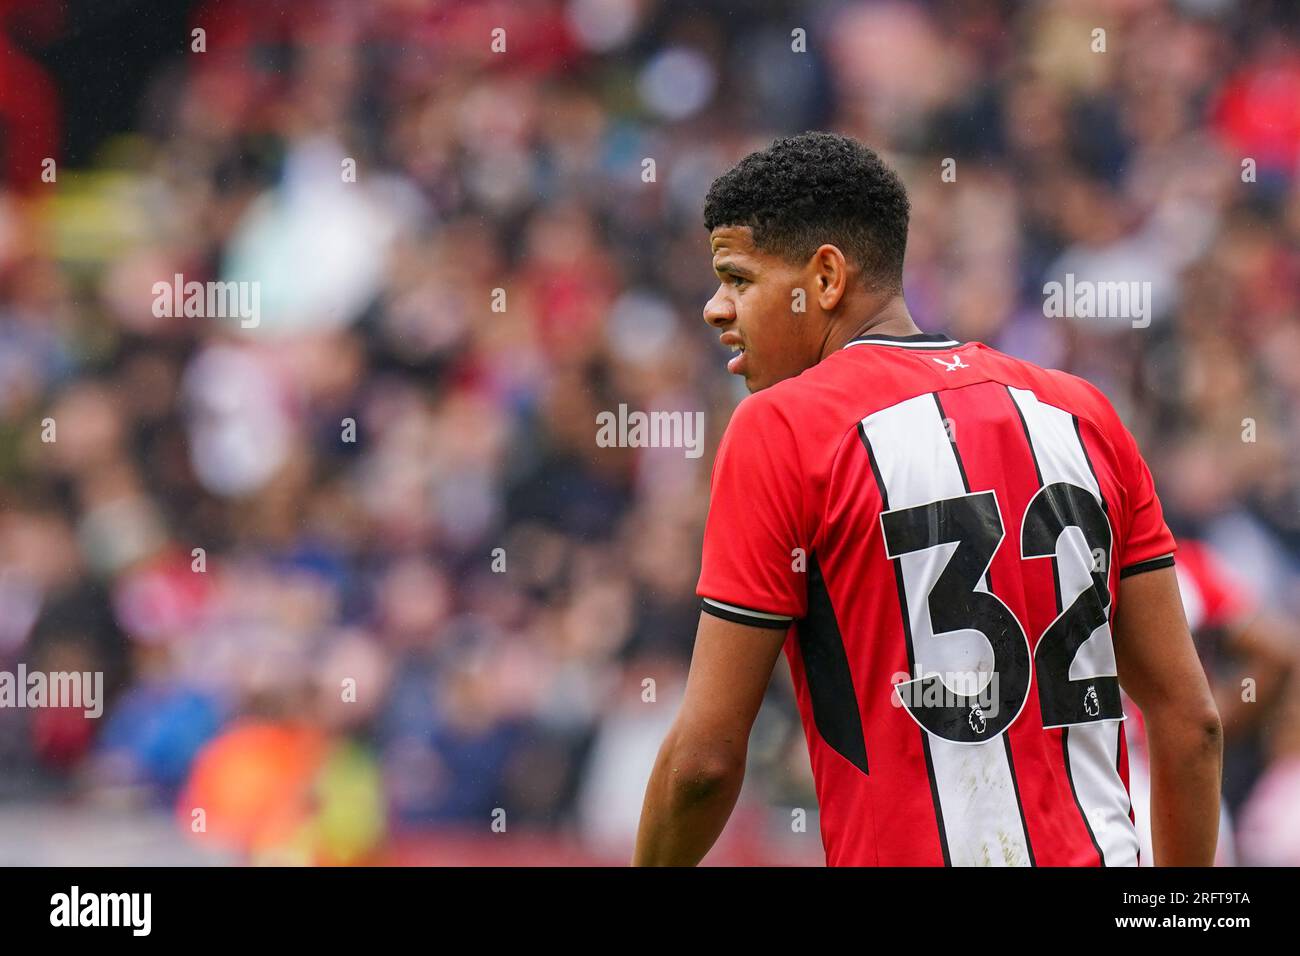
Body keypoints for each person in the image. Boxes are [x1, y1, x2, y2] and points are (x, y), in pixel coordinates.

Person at [632, 132, 1223, 866]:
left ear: (824, 279)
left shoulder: (782, 428)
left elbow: (704, 764)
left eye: (738, 278)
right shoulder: (1082, 413)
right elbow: (1191, 723)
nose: (715, 308)